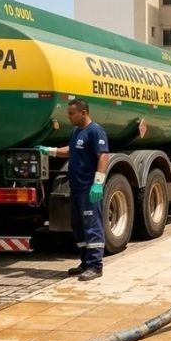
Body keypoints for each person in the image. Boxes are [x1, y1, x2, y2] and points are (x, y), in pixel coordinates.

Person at [36, 98, 109, 281]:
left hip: (88, 188)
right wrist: (50, 150)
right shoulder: (77, 131)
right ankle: (85, 262)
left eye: (71, 114)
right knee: (78, 226)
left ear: (83, 113)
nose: (69, 117)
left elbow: (103, 156)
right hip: (76, 188)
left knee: (92, 226)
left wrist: (98, 183)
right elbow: (71, 151)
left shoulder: (95, 131)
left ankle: (95, 265)